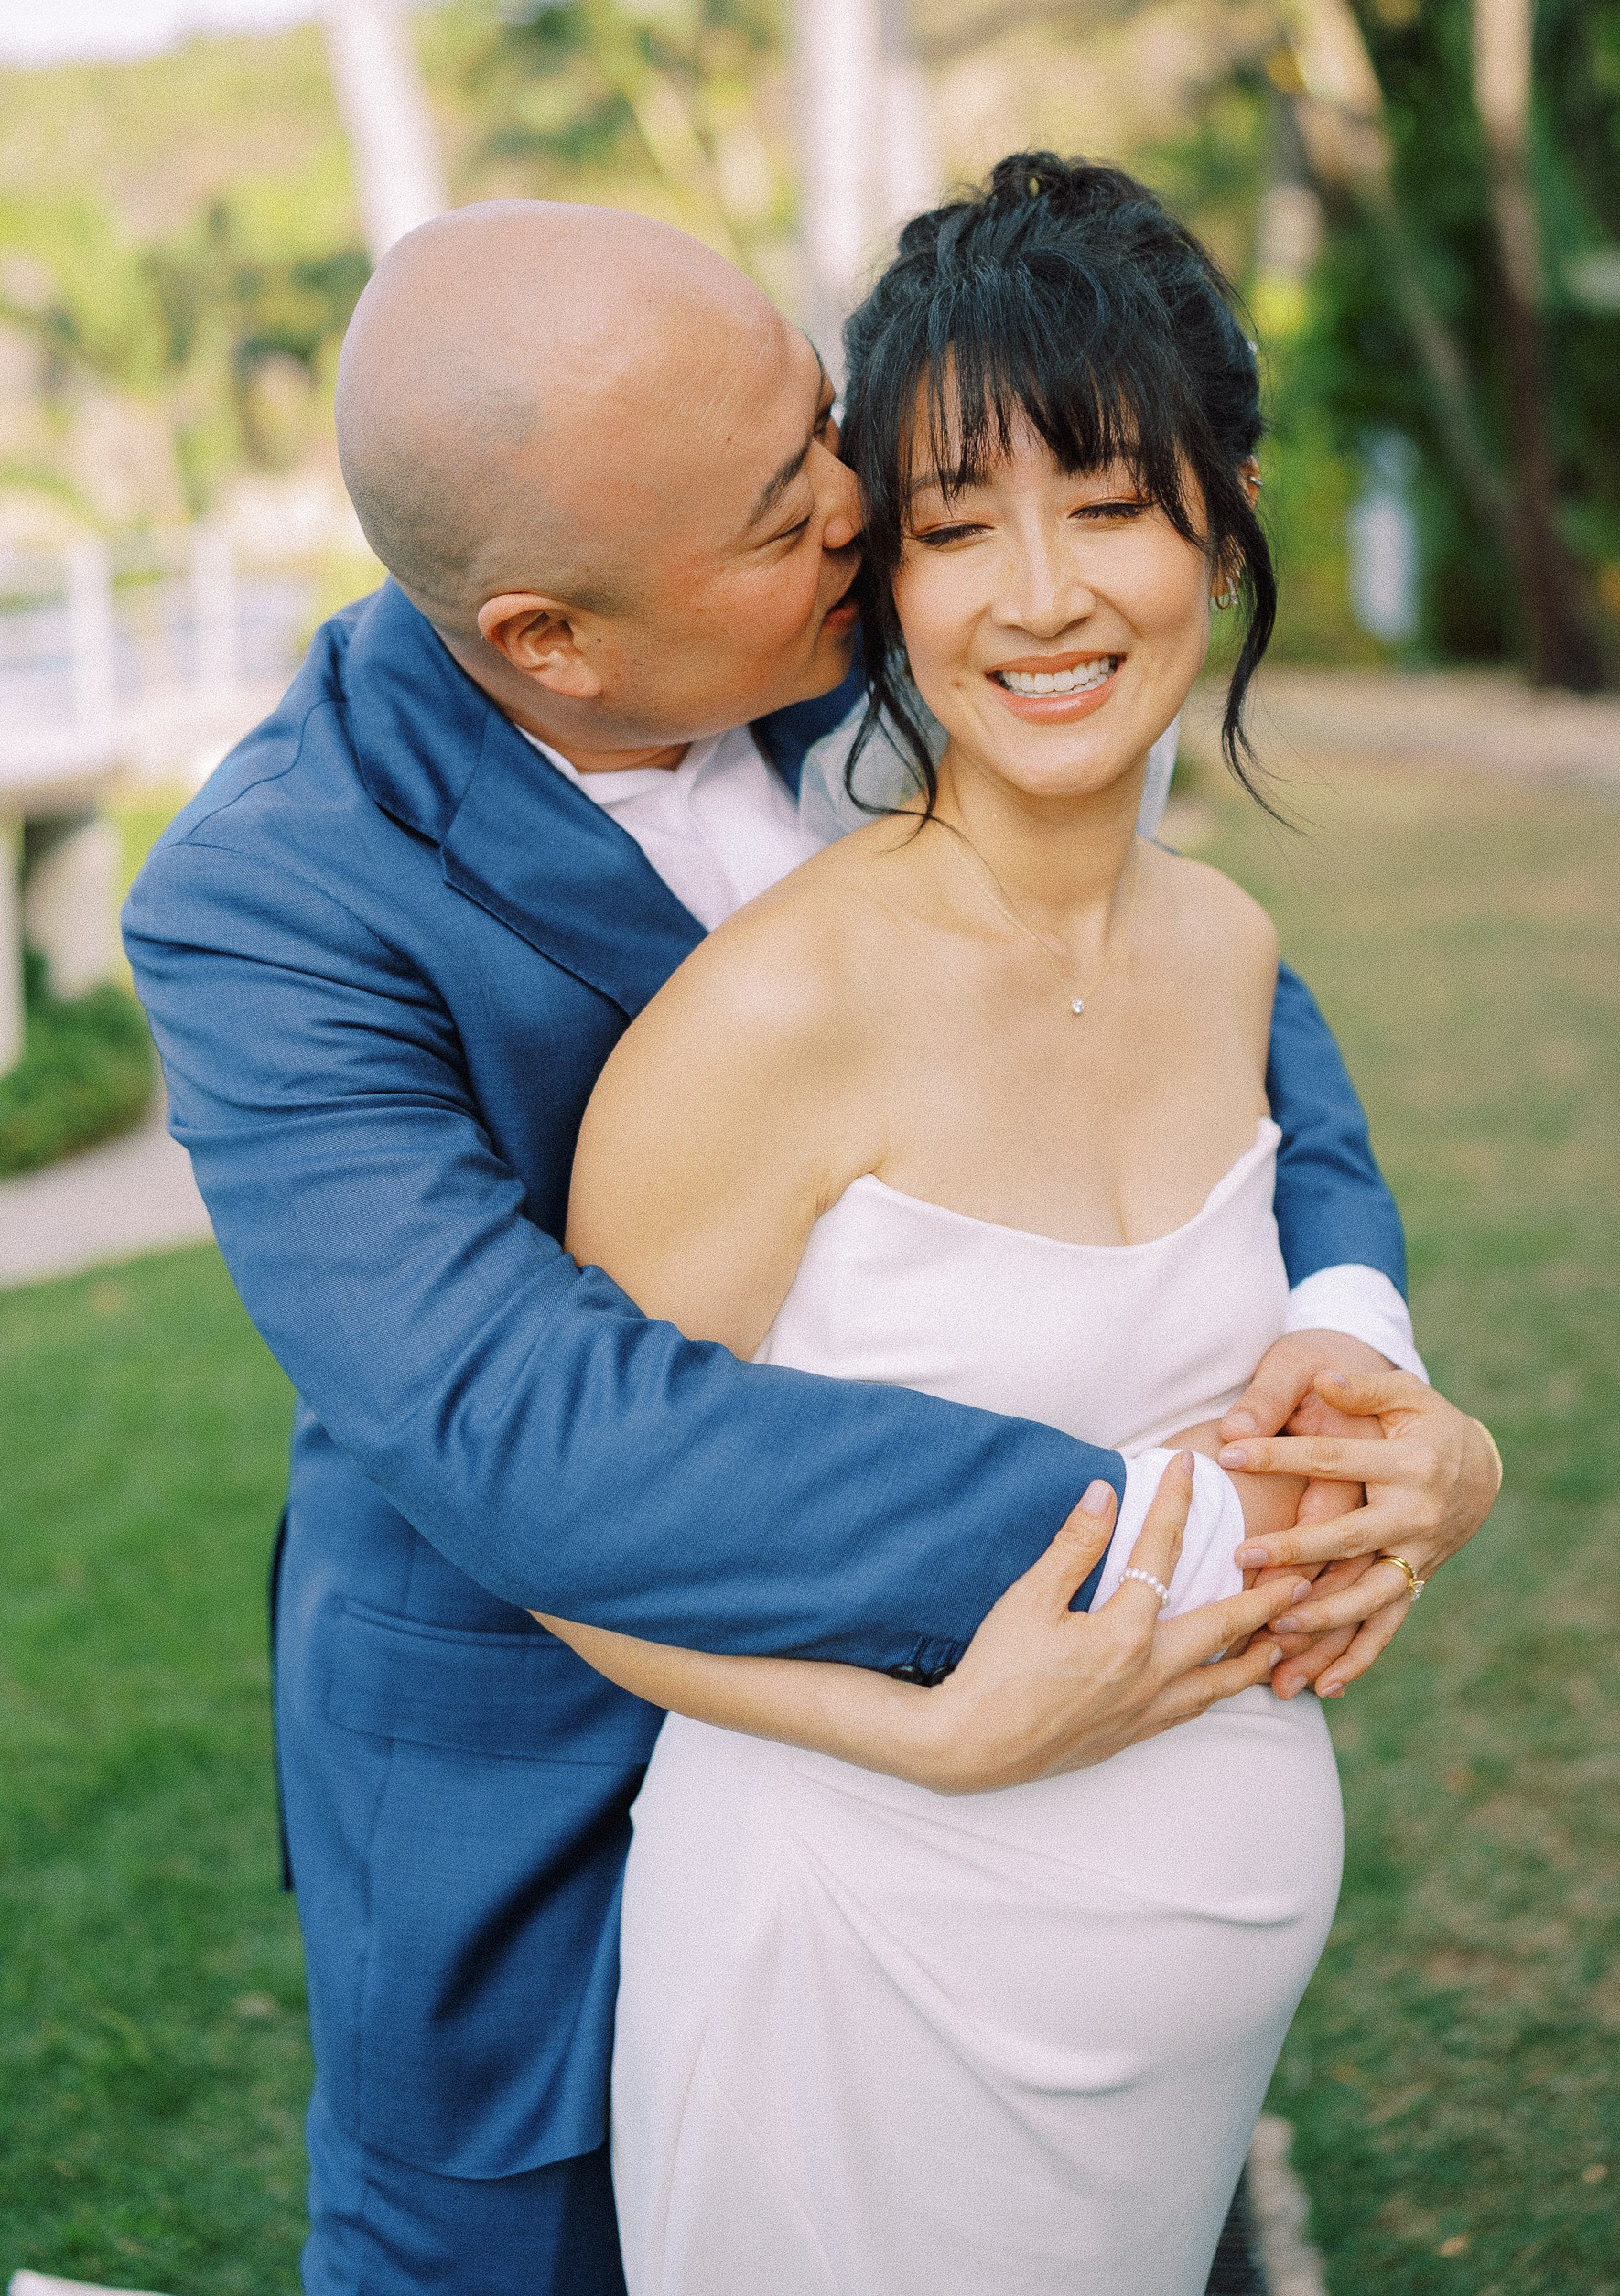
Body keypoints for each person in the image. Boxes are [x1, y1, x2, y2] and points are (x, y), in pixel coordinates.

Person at [123, 189, 1500, 2296]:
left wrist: (1357, 1331)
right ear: (550, 643)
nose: (871, 512)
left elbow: (1199, 992)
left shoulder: (867, 616)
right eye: (795, 512)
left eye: (823, 433)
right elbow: (526, 1426)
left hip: (1053, 1828)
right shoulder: (274, 903)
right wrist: (1203, 1534)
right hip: (535, 1738)